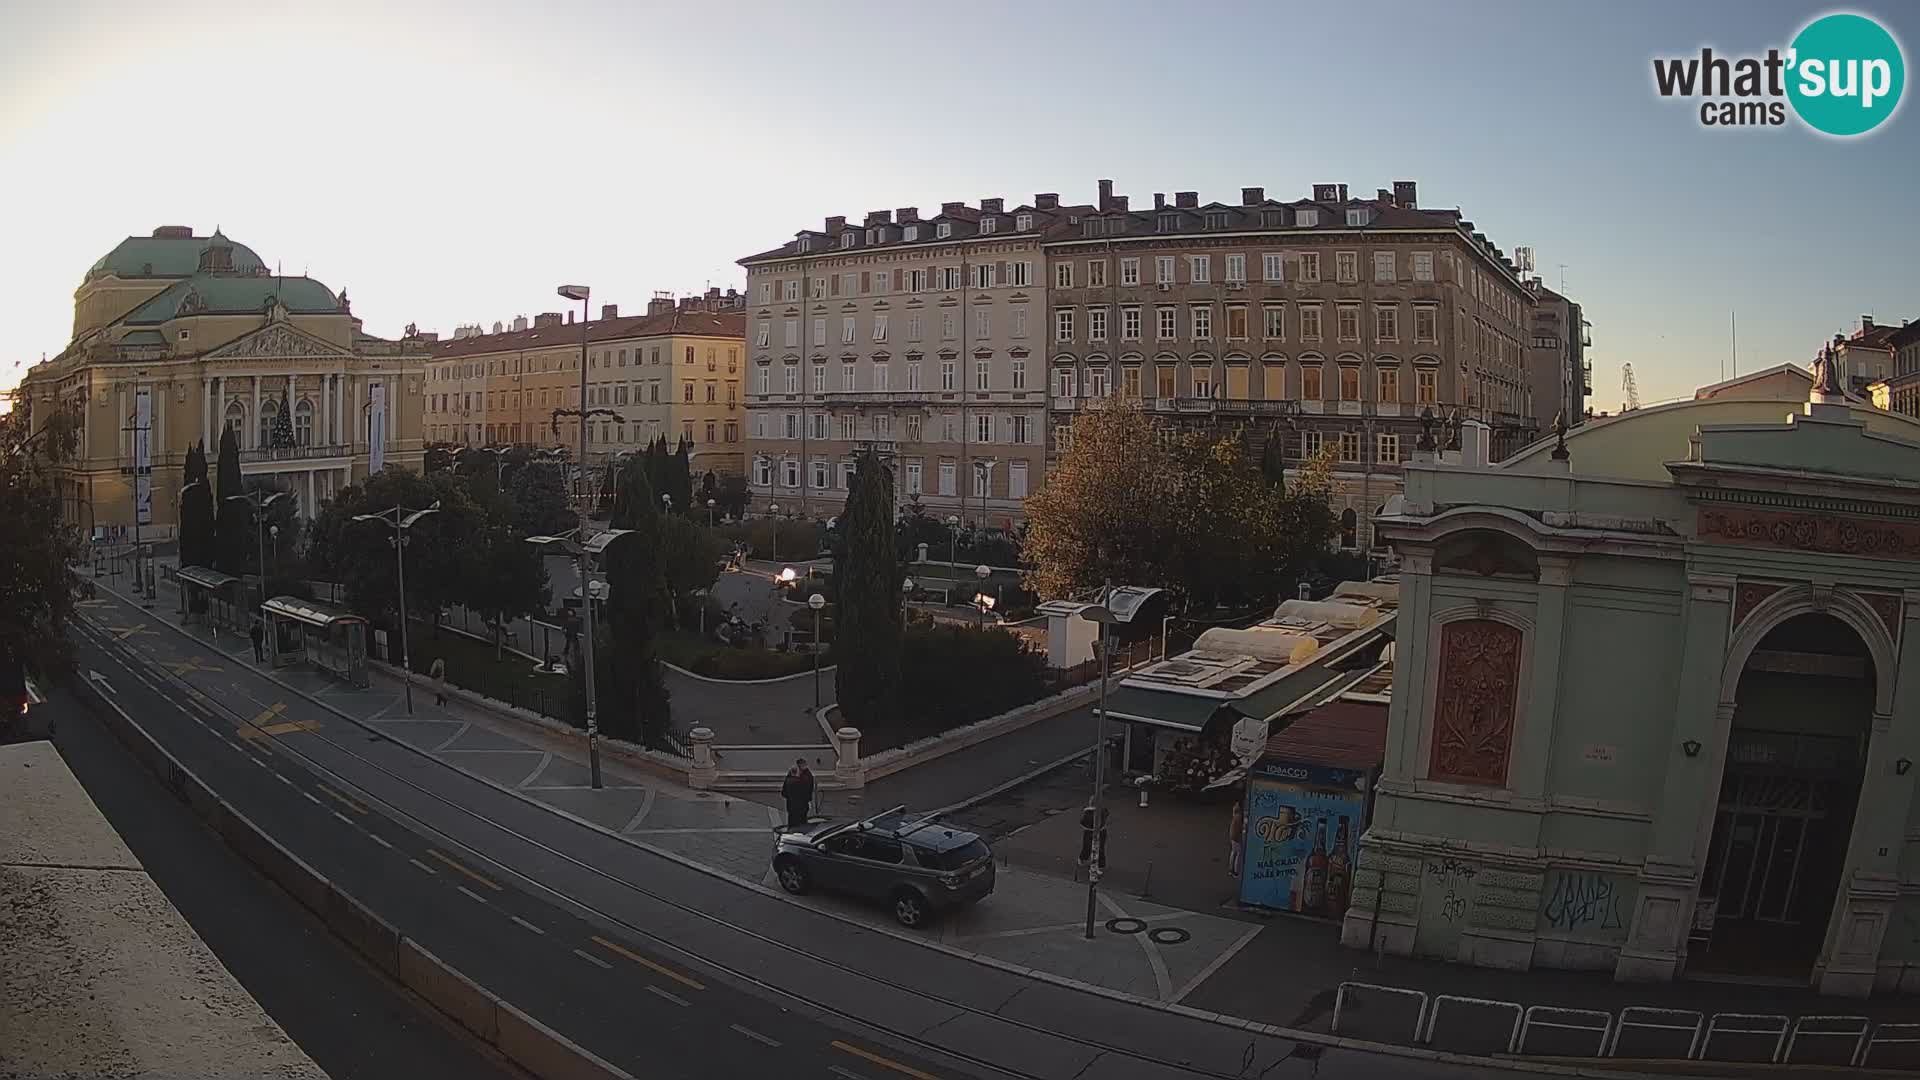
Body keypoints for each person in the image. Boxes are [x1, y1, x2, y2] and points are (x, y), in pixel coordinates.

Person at [781, 758, 815, 828]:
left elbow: (784, 793)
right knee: (802, 824)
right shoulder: (803, 780)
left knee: (792, 824)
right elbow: (809, 788)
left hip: (791, 807)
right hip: (802, 807)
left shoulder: (789, 780)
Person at [1228, 799, 1246, 878]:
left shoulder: (1235, 813)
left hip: (1232, 835)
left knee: (1233, 852)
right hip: (1236, 837)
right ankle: (1235, 871)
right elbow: (1241, 828)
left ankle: (1230, 869)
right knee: (1238, 854)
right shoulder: (1239, 816)